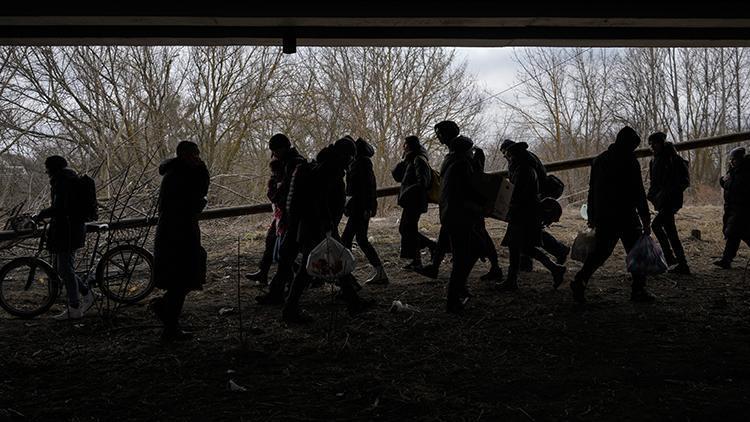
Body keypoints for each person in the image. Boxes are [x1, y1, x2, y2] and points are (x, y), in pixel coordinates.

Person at [282, 137, 374, 323]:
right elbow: (320, 201)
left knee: (335, 260)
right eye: (350, 156)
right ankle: (290, 310)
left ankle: (354, 302)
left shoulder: (324, 166)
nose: (350, 161)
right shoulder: (328, 171)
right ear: (343, 155)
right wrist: (327, 226)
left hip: (316, 226)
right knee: (308, 270)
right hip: (318, 228)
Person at [571, 126, 655, 304]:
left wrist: (592, 216)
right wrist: (645, 219)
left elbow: (592, 190)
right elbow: (638, 192)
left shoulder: (599, 160)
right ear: (630, 144)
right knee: (636, 252)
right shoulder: (630, 160)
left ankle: (581, 280)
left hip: (604, 216)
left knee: (600, 253)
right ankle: (638, 290)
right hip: (626, 216)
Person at [150, 141, 210, 341]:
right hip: (178, 236)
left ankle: (168, 320)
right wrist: (202, 173)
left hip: (175, 234)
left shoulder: (175, 174)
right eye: (195, 155)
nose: (198, 158)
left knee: (180, 281)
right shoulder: (179, 177)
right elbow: (194, 202)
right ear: (186, 155)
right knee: (181, 280)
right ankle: (168, 322)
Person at [496, 141, 566, 291]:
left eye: (505, 153)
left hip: (523, 212)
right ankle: (554, 268)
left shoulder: (523, 169)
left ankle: (512, 280)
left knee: (517, 246)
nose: (505, 156)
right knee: (524, 247)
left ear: (511, 152)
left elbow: (519, 193)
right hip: (527, 211)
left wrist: (506, 204)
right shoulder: (526, 164)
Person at [432, 120, 485, 313]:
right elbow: (472, 188)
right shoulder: (462, 161)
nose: (438, 137)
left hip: (451, 213)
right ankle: (453, 299)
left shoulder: (452, 159)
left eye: (439, 134)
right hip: (460, 215)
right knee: (465, 255)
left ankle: (458, 290)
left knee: (469, 250)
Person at [33, 156, 93, 320]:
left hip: (68, 231)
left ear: (53, 168)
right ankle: (87, 294)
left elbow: (60, 208)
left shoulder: (63, 182)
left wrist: (42, 214)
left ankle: (75, 307)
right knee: (65, 268)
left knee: (65, 268)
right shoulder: (68, 179)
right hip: (71, 229)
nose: (46, 171)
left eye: (47, 168)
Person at [256, 134, 308, 305]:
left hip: (293, 216)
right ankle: (280, 293)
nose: (274, 155)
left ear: (282, 148)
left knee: (289, 256)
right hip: (289, 214)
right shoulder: (288, 163)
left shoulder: (295, 164)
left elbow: (289, 192)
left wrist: (278, 197)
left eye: (275, 151)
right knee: (286, 256)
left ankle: (285, 296)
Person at [341, 137, 389, 285]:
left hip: (359, 208)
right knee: (360, 240)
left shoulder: (361, 164)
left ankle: (346, 275)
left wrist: (368, 208)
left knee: (347, 240)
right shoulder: (362, 163)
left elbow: (367, 189)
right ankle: (378, 271)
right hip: (360, 208)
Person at [646, 132, 691, 275]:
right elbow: (654, 182)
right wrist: (652, 195)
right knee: (671, 231)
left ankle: (671, 258)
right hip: (661, 201)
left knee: (656, 225)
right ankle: (681, 263)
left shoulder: (674, 159)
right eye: (650, 143)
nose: (652, 146)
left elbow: (685, 181)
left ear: (661, 143)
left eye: (654, 143)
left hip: (671, 201)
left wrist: (668, 192)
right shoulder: (654, 161)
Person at [392, 135, 438, 270]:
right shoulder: (411, 159)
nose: (403, 147)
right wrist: (404, 159)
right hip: (411, 201)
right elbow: (397, 176)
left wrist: (407, 193)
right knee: (409, 229)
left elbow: (423, 182)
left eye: (405, 144)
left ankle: (431, 246)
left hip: (415, 202)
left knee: (406, 229)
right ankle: (417, 259)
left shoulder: (419, 160)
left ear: (410, 145)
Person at [246, 158, 285, 285]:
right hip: (279, 216)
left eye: (275, 171)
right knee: (270, 241)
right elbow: (272, 196)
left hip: (287, 217)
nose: (273, 173)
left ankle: (287, 279)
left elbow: (277, 198)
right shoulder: (275, 181)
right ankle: (263, 272)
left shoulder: (288, 180)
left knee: (285, 249)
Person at [714, 147, 750, 269]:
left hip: (742, 208)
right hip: (732, 207)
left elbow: (737, 187)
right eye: (732, 159)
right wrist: (722, 180)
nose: (732, 162)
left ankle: (726, 259)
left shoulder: (746, 172)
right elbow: (726, 184)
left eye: (734, 159)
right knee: (735, 234)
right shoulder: (733, 171)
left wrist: (729, 182)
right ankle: (726, 260)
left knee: (735, 232)